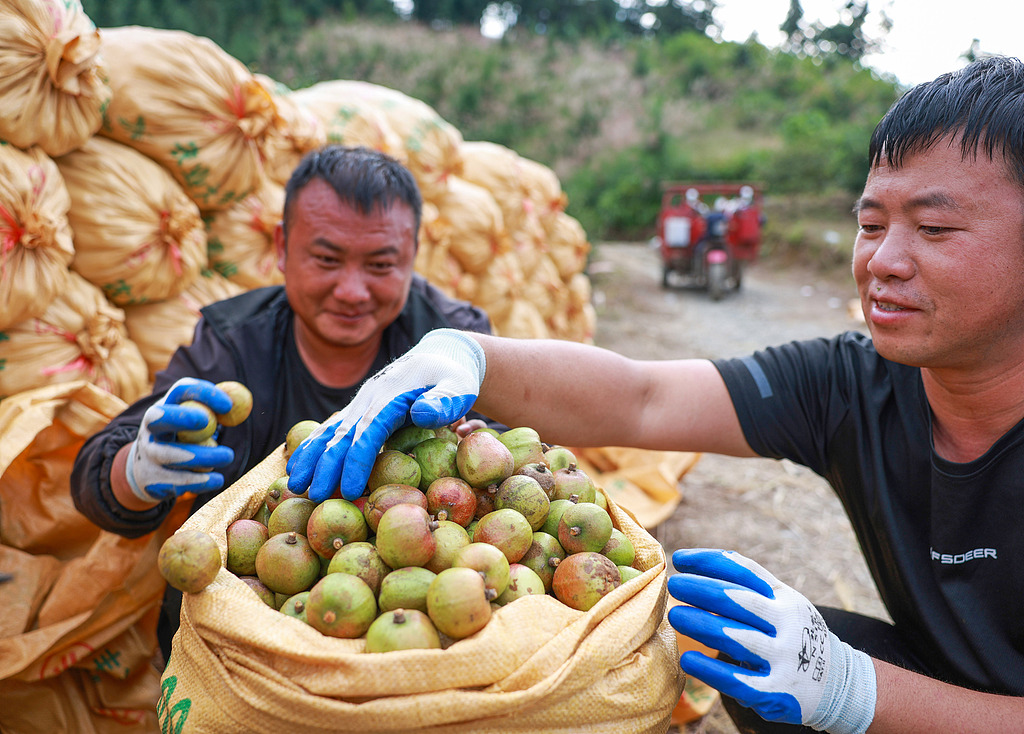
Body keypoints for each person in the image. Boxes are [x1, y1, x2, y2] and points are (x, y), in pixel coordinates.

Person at [284, 56, 1024, 733]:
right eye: (871, 224)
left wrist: (855, 690)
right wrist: (470, 355)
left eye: (933, 227)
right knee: (747, 654)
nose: (883, 261)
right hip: (967, 685)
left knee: (826, 680)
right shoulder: (854, 381)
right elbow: (639, 397)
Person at [71, 144, 497, 665]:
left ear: (412, 257)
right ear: (281, 247)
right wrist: (137, 470)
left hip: (407, 654)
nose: (352, 290)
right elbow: (97, 478)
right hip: (244, 635)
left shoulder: (453, 343)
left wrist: (478, 433)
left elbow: (504, 476)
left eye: (381, 264)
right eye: (326, 259)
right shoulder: (232, 344)